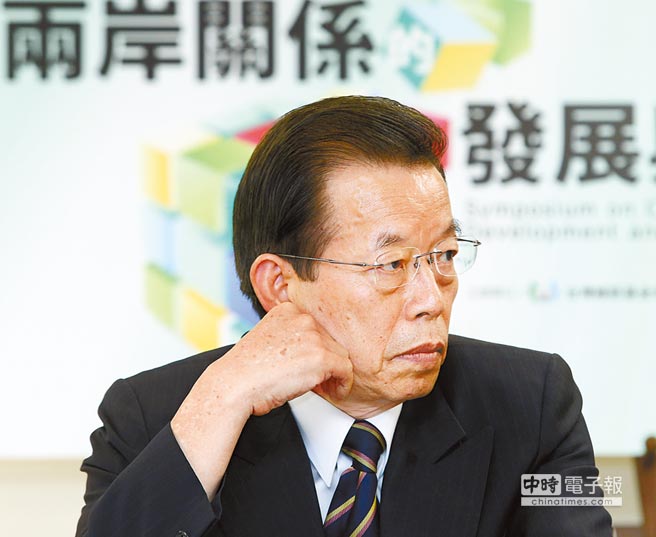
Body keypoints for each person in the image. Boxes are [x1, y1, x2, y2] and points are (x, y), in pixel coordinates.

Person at [76, 96, 612, 537]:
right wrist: (223, 400)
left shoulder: (532, 404)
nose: (430, 299)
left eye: (444, 255)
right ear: (280, 284)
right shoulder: (154, 417)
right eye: (391, 264)